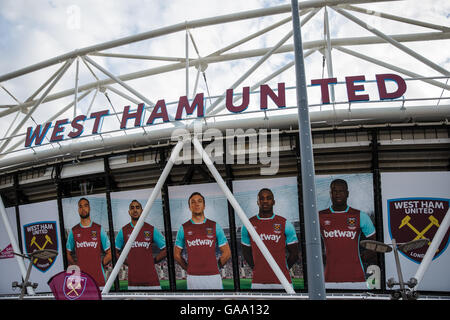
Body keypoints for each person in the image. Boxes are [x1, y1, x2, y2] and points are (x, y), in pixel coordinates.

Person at [319, 179, 376, 285]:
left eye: (341, 191)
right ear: (330, 194)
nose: (338, 194)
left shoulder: (360, 216)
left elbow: (375, 244)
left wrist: (362, 257)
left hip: (356, 276)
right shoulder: (320, 216)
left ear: (347, 193)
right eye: (334, 191)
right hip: (329, 277)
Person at [241, 188, 299, 289]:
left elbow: (294, 254)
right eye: (262, 199)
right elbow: (246, 253)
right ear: (257, 202)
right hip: (258, 282)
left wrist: (281, 270)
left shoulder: (285, 223)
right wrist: (257, 269)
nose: (265, 201)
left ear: (273, 202)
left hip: (283, 282)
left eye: (269, 198)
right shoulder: (248, 224)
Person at [174, 192, 231, 290]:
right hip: (193, 277)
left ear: (204, 206)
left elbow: (227, 252)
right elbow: (176, 255)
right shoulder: (183, 228)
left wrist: (216, 266)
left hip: (213, 276)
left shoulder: (214, 226)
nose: (196, 204)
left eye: (199, 201)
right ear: (189, 207)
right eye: (193, 202)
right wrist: (188, 268)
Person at [115, 200, 167, 290]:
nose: (135, 210)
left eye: (137, 207)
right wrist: (127, 263)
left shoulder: (151, 229)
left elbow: (166, 249)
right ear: (129, 212)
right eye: (132, 208)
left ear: (142, 211)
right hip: (133, 282)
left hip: (152, 281)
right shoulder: (123, 230)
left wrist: (153, 261)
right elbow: (114, 251)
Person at [66, 198, 112, 287]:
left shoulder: (99, 229)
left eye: (86, 205)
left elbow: (110, 253)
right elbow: (67, 254)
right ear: (78, 209)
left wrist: (100, 264)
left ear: (89, 208)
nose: (83, 208)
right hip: (81, 279)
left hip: (99, 279)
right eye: (80, 206)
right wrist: (76, 265)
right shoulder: (74, 231)